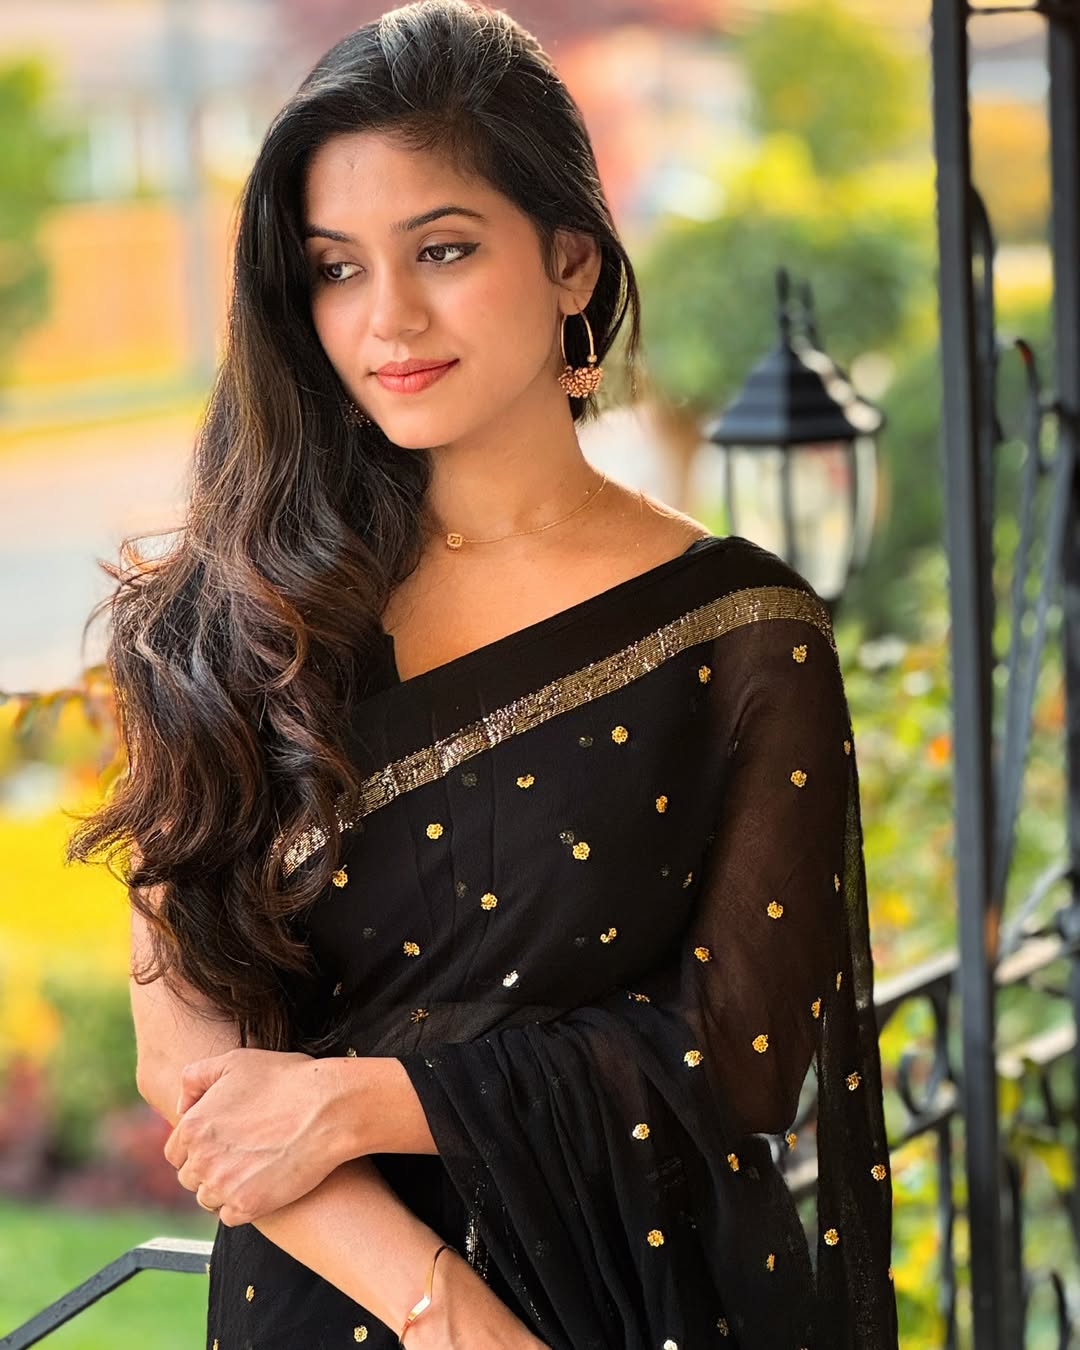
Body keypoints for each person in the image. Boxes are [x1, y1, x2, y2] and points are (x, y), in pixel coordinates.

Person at [67, 1, 899, 1345]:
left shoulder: (741, 631)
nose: (388, 317)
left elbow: (742, 1055)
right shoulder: (223, 619)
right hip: (337, 1305)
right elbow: (194, 1062)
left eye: (442, 250)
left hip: (652, 1298)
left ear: (571, 260)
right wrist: (449, 1313)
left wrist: (366, 1098)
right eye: (336, 269)